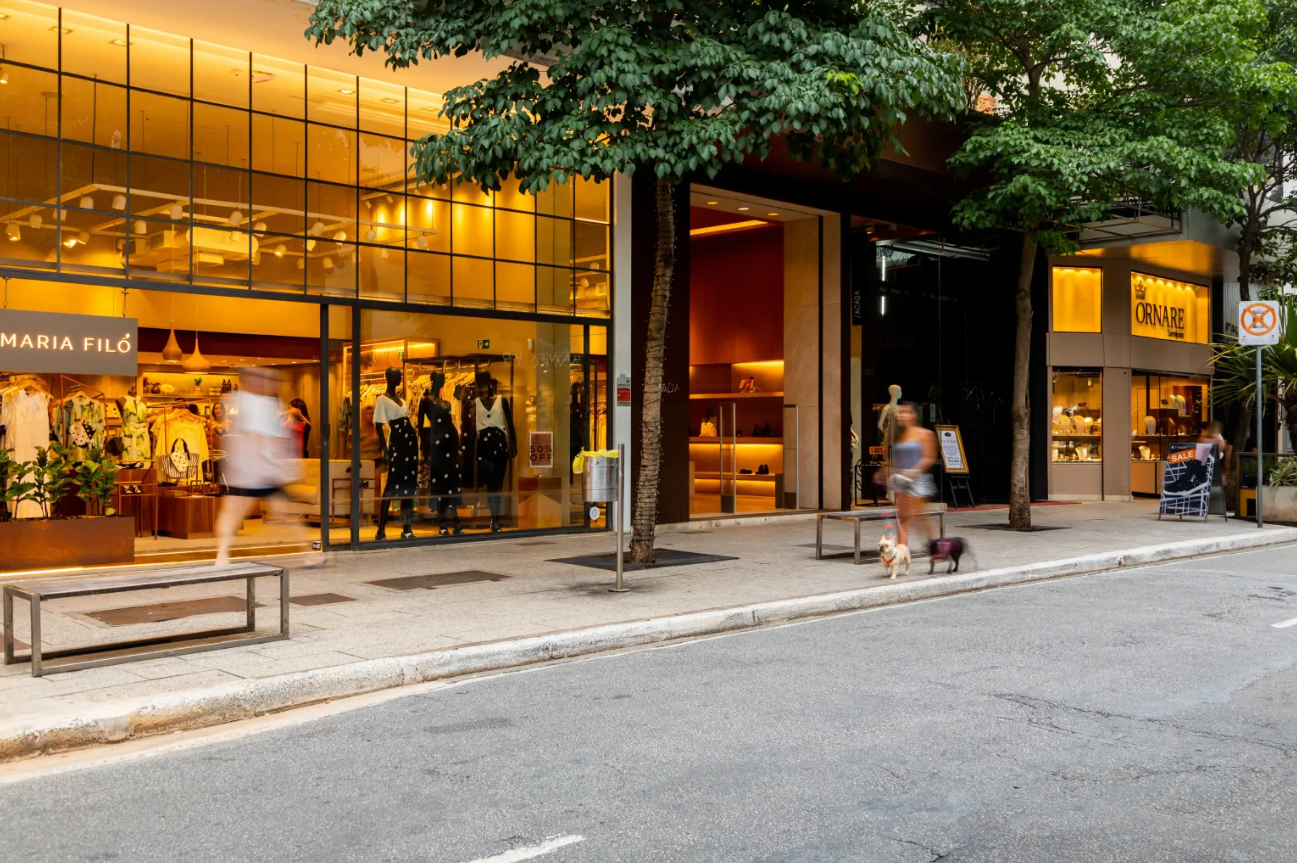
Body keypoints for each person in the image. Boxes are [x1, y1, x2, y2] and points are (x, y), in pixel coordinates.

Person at [214, 367, 305, 567]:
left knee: (283, 511)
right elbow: (256, 438)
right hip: (256, 471)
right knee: (234, 511)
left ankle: (309, 553)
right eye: (268, 380)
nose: (271, 384)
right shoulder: (255, 403)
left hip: (253, 469)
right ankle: (221, 554)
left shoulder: (247, 401)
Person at [891, 402, 937, 548]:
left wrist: (914, 471)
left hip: (918, 478)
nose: (903, 415)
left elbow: (929, 457)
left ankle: (935, 546)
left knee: (920, 516)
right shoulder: (901, 436)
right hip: (901, 479)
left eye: (907, 412)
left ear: (914, 415)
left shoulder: (925, 434)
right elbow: (898, 458)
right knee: (902, 516)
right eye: (901, 412)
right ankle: (902, 549)